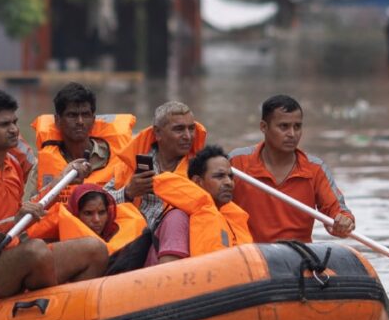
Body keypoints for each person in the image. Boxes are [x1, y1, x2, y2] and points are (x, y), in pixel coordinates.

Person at [0, 90, 107, 308]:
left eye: (14, 122)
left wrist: (63, 179)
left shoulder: (12, 164)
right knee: (35, 250)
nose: (13, 130)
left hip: (12, 255)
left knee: (96, 250)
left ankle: (72, 315)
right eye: (4, 125)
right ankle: (54, 315)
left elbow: (27, 210)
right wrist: (10, 223)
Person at [230, 94, 355, 243]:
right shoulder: (236, 163)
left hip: (297, 257)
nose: (292, 134)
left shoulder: (315, 169)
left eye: (297, 126)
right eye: (284, 126)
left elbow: (337, 212)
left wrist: (344, 222)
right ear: (264, 127)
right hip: (248, 256)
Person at [143, 145, 254, 266]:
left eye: (230, 176)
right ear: (197, 182)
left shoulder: (230, 219)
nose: (228, 182)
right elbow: (167, 275)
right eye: (219, 176)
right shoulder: (178, 219)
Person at [104, 101, 207, 229]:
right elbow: (99, 202)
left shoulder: (201, 168)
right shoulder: (131, 163)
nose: (188, 136)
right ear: (157, 133)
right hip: (132, 235)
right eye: (179, 129)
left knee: (176, 217)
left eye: (191, 129)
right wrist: (128, 192)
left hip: (174, 236)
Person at [28, 82, 135, 202]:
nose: (80, 121)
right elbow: (33, 207)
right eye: (72, 115)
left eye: (85, 115)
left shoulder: (120, 161)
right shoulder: (42, 165)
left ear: (93, 120)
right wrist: (58, 182)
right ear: (58, 120)